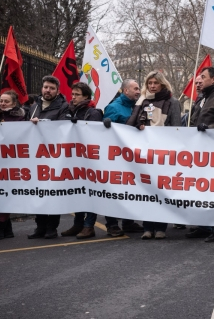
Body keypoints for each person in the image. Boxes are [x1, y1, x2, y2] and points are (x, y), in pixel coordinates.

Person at [127, 71, 181, 239]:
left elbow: (176, 127)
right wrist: (139, 125)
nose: (152, 86)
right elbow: (134, 122)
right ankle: (147, 227)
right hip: (145, 153)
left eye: (155, 83)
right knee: (147, 190)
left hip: (164, 153)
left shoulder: (173, 102)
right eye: (149, 83)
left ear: (162, 84)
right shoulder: (142, 101)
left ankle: (161, 228)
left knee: (161, 190)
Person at [185, 67, 214, 242]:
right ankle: (204, 226)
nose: (199, 81)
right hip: (200, 152)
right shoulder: (202, 98)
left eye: (203, 77)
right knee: (201, 189)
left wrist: (209, 128)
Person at [57, 82, 106, 239]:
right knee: (77, 192)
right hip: (74, 160)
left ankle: (88, 226)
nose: (73, 97)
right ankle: (77, 224)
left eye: (77, 94)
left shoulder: (93, 113)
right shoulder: (69, 110)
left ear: (86, 96)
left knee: (90, 193)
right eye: (72, 94)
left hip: (89, 160)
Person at [28, 76, 69, 239]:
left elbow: (61, 128)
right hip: (36, 157)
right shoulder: (33, 107)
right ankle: (40, 227)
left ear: (57, 91)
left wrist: (42, 122)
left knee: (53, 193)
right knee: (38, 192)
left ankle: (52, 228)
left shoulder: (63, 107)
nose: (48, 90)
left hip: (54, 157)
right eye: (46, 87)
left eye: (52, 88)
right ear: (41, 89)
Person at [102, 79, 144, 234]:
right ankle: (112, 224)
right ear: (126, 91)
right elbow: (107, 133)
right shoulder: (113, 107)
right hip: (116, 157)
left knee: (129, 190)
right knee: (113, 191)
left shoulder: (137, 107)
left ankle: (128, 222)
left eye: (139, 89)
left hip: (131, 157)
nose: (138, 91)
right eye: (135, 89)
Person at [0, 90, 26, 239]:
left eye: (6, 101)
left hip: (12, 162)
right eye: (1, 101)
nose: (2, 104)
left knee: (6, 194)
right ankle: (6, 226)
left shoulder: (20, 118)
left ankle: (1, 224)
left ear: (14, 104)